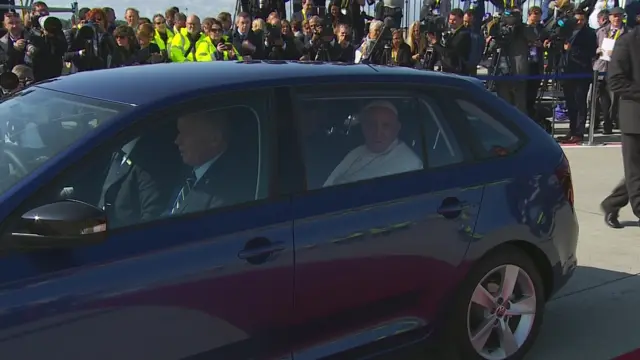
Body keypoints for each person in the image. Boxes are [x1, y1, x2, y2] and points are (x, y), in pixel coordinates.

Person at [323, 101, 423, 187]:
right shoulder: (356, 152)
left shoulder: (410, 165)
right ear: (363, 127)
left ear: (396, 128)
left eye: (386, 126)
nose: (378, 133)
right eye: (371, 125)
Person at [171, 111, 254, 214]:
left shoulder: (227, 187)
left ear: (214, 139)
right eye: (179, 133)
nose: (177, 140)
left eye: (186, 133)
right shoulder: (188, 173)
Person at [600, 25, 640, 228]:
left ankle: (611, 203)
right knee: (635, 170)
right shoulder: (627, 42)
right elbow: (615, 81)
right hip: (635, 120)